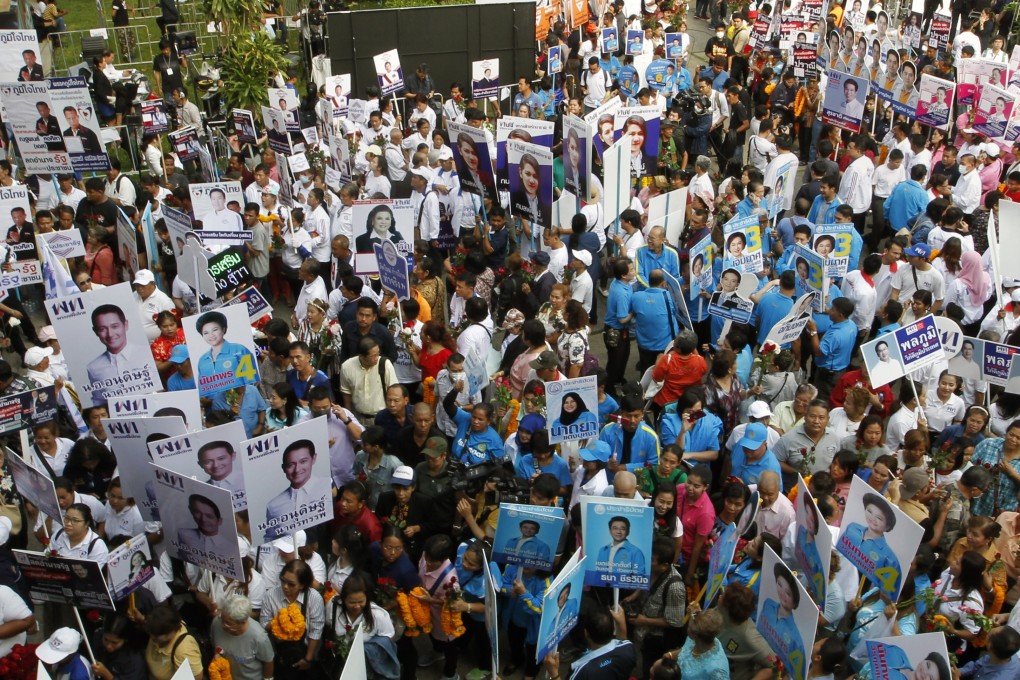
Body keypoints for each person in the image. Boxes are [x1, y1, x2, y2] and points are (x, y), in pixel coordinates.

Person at [263, 439, 332, 541]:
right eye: (291, 465)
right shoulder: (273, 505)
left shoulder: (327, 486)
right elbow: (270, 538)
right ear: (283, 468)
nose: (297, 469)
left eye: (303, 461)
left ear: (314, 459)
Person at [85, 304, 153, 406]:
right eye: (102, 329)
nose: (110, 334)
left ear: (125, 325)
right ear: (95, 331)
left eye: (115, 326)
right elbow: (99, 402)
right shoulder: (93, 367)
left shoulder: (147, 353)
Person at [837, 492, 902, 596]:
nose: (872, 518)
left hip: (854, 596)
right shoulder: (852, 528)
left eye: (879, 518)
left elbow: (886, 591)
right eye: (869, 511)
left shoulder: (889, 558)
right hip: (834, 578)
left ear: (888, 527)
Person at [759, 562, 807, 680]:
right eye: (779, 584)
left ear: (795, 602)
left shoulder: (797, 640)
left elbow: (795, 674)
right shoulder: (768, 604)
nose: (782, 593)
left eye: (788, 593)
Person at [194, 310, 258, 395]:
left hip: (240, 405)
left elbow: (251, 381)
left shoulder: (239, 350)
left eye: (215, 330)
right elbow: (203, 391)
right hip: (214, 407)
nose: (211, 335)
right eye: (206, 333)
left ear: (223, 329)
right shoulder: (202, 360)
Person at [510, 153, 550, 228]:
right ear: (520, 172)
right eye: (528, 174)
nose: (532, 180)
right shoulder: (513, 201)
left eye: (535, 176)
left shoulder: (546, 210)